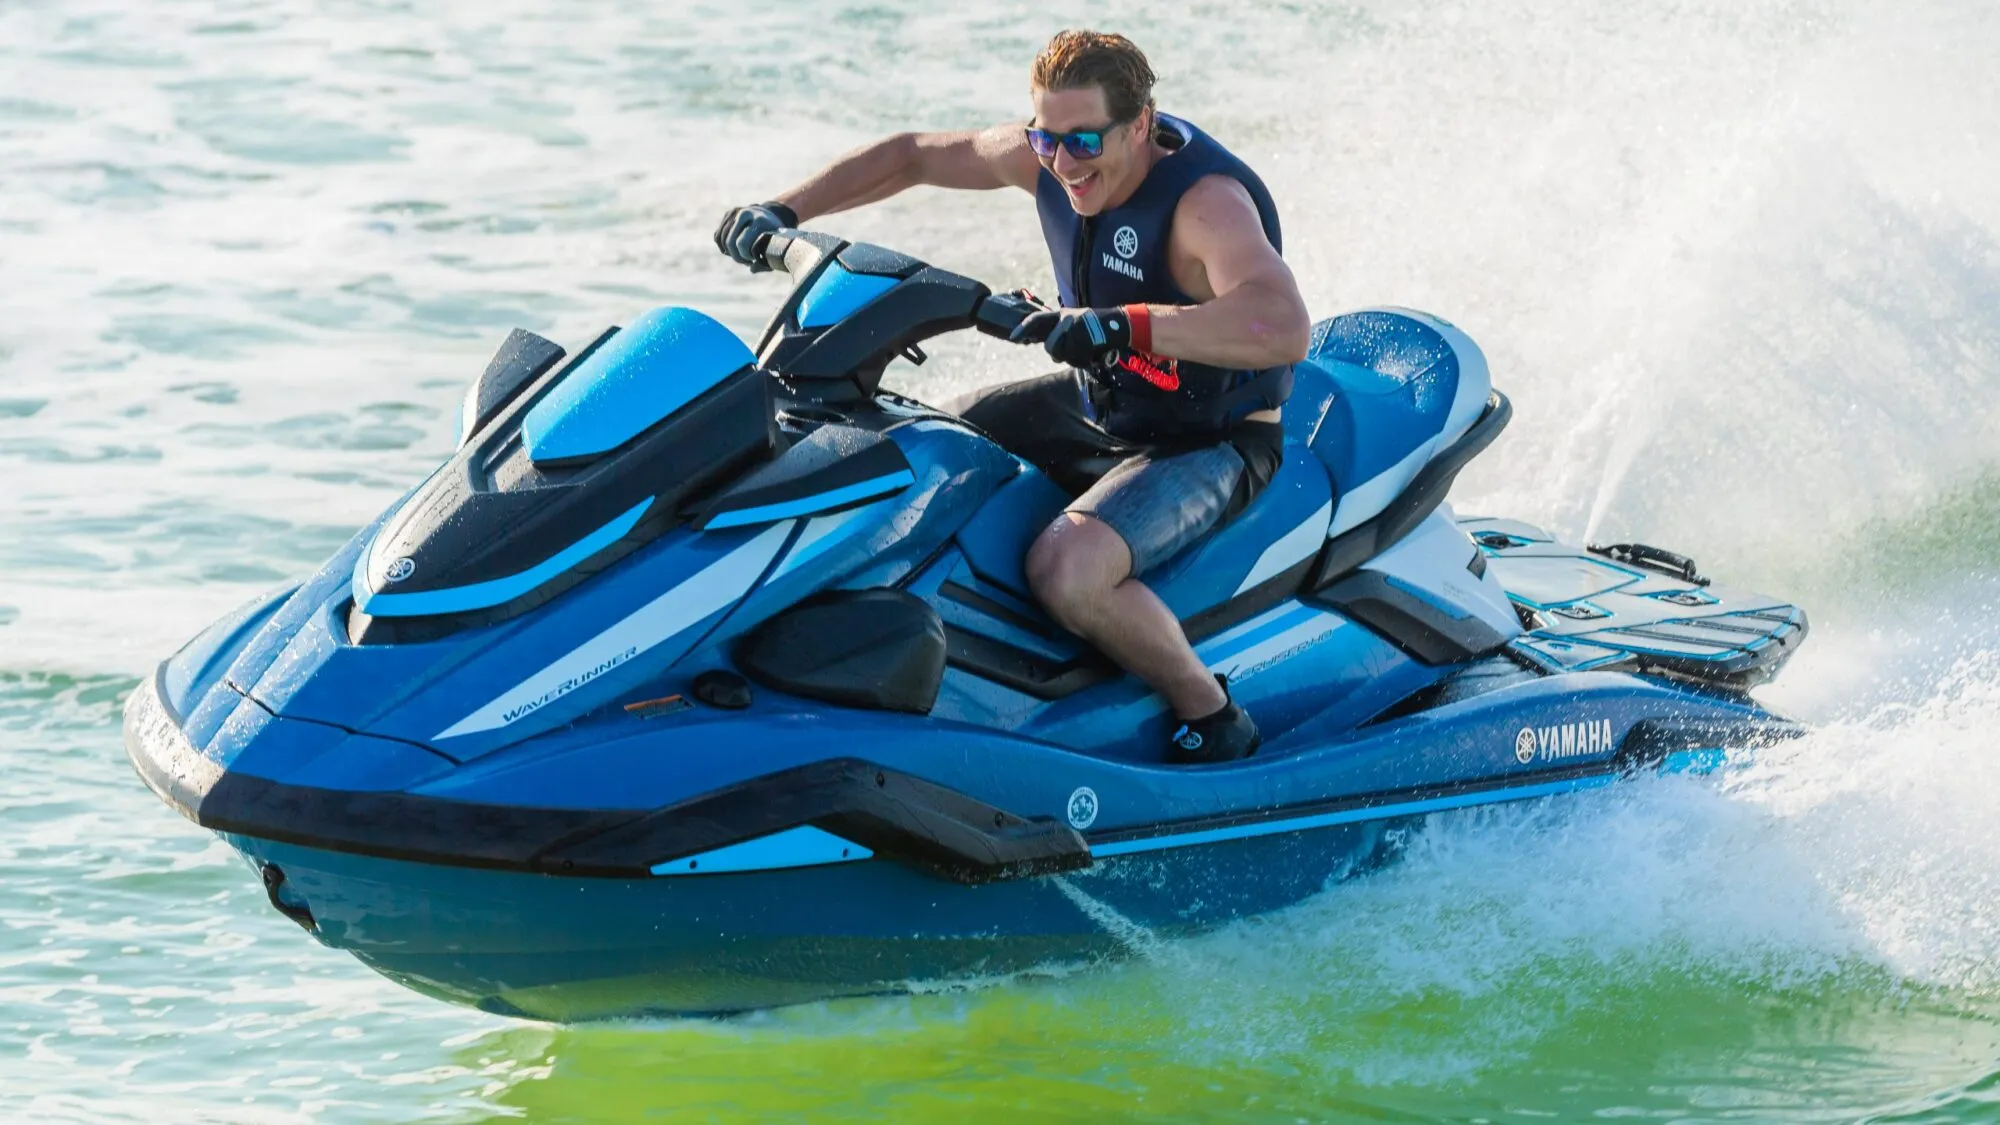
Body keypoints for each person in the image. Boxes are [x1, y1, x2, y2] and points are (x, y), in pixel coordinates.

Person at [714, 30, 1310, 763]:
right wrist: (783, 210)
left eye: (1084, 141)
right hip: (1101, 402)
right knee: (910, 451)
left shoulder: (1205, 206)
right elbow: (911, 155)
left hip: (1209, 441)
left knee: (1067, 571)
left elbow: (1282, 325)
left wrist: (1122, 324)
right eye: (1046, 138)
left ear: (1141, 125)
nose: (1064, 163)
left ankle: (1212, 714)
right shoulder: (1047, 159)